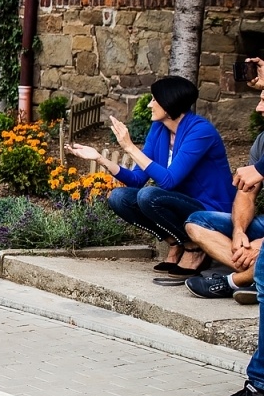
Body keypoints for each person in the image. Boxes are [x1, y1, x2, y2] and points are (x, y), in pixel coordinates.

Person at [68, 75, 235, 277]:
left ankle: (196, 248)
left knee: (149, 196)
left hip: (210, 210)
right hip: (180, 203)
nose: (149, 105)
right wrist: (99, 158)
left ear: (169, 102)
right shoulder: (159, 129)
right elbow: (138, 179)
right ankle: (177, 242)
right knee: (119, 198)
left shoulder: (200, 131)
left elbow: (169, 180)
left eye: (155, 99)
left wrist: (129, 147)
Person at [184, 85, 264, 304]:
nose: (258, 108)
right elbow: (246, 192)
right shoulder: (262, 141)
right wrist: (239, 232)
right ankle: (257, 274)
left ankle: (238, 281)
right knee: (196, 222)